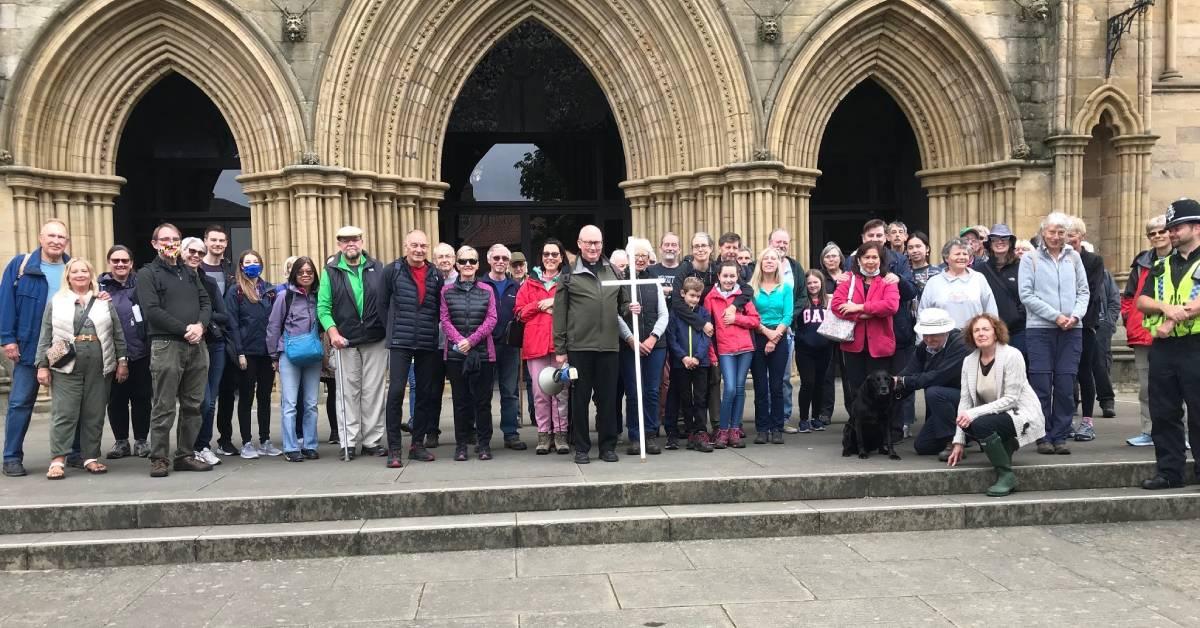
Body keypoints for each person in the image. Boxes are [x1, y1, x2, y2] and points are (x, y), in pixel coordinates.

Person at [34, 258, 127, 479]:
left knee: (94, 413)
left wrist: (122, 361)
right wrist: (42, 366)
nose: (80, 275)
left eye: (84, 271)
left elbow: (117, 334)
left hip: (99, 362)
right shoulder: (56, 301)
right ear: (68, 276)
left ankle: (90, 458)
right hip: (65, 363)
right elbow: (45, 335)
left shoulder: (104, 301)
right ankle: (58, 460)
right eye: (74, 271)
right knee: (64, 413)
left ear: (90, 274)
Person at [136, 223, 212, 477]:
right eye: (165, 239)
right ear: (155, 244)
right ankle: (159, 458)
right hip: (166, 344)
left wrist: (201, 326)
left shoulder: (189, 271)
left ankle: (185, 455)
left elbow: (205, 301)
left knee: (194, 404)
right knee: (164, 405)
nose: (171, 243)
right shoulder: (147, 274)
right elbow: (152, 311)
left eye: (175, 239)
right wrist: (184, 330)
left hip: (196, 345)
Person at [553, 225, 632, 463]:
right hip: (579, 348)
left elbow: (623, 305)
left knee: (608, 399)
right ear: (579, 244)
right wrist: (560, 349)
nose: (593, 247)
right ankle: (581, 448)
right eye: (588, 243)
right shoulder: (568, 275)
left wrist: (631, 309)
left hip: (609, 346)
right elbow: (560, 314)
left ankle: (607, 447)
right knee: (580, 399)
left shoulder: (614, 272)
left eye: (597, 242)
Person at [1137, 198, 1200, 490]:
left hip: (1195, 345)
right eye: (1170, 227)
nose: (1171, 233)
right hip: (1165, 348)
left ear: (1196, 227)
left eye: (1177, 227)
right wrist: (1165, 308)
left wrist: (1177, 316)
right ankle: (1169, 471)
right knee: (1164, 411)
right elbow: (1142, 301)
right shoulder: (1162, 264)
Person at [946, 314, 1046, 497]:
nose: (981, 333)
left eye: (986, 329)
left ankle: (1006, 475)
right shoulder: (969, 361)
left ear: (996, 332)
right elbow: (965, 401)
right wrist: (958, 441)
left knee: (979, 423)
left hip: (1022, 414)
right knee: (971, 422)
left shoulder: (1012, 355)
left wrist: (973, 414)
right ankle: (1007, 445)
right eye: (976, 330)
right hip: (995, 414)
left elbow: (1011, 399)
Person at [1, 219, 70, 477]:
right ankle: (11, 457)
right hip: (29, 346)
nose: (55, 241)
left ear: (67, 242)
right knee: (20, 403)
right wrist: (7, 338)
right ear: (41, 238)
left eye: (61, 237)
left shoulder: (70, 267)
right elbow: (5, 301)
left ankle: (71, 452)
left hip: (62, 346)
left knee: (69, 403)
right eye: (51, 236)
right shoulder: (21, 266)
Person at [1018, 211, 1089, 455]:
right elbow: (1026, 294)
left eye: (1061, 232)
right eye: (1052, 232)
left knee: (1066, 383)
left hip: (1072, 329)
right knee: (1041, 384)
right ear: (1043, 232)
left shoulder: (1074, 259)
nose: (1056, 237)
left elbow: (1084, 291)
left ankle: (1060, 435)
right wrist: (1055, 316)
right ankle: (1043, 435)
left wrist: (1076, 316)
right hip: (1040, 330)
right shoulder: (1030, 259)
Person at [317, 225, 388, 460]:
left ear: (361, 241)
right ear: (339, 244)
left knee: (374, 392)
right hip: (344, 341)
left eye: (354, 239)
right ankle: (347, 441)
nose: (351, 244)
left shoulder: (377, 268)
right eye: (345, 240)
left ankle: (372, 440)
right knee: (347, 393)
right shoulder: (330, 271)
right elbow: (323, 308)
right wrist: (333, 333)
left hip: (375, 338)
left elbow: (388, 301)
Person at [378, 230, 444, 467]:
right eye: (414, 245)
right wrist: (393, 331)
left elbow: (438, 307)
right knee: (396, 392)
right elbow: (382, 304)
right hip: (400, 342)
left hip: (427, 341)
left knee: (426, 394)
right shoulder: (392, 271)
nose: (419, 250)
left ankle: (418, 445)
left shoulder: (436, 274)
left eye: (423, 246)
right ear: (405, 246)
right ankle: (394, 448)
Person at [439, 245, 499, 461]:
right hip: (456, 355)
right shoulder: (446, 291)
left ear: (477, 265)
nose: (467, 265)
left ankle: (484, 444)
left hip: (483, 354)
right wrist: (460, 341)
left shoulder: (487, 290)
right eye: (463, 261)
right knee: (460, 401)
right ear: (457, 264)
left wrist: (471, 341)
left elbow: (492, 319)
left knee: (482, 402)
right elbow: (444, 320)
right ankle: (461, 445)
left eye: (472, 261)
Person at [516, 238, 571, 455]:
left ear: (561, 258)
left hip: (560, 346)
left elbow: (575, 307)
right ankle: (543, 435)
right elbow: (520, 313)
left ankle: (561, 435)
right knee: (540, 393)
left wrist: (555, 302)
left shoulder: (567, 281)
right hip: (536, 345)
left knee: (561, 392)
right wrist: (541, 306)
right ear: (541, 257)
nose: (550, 258)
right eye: (546, 254)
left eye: (554, 254)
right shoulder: (529, 283)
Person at [832, 241, 900, 412]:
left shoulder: (888, 280)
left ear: (880, 260)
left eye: (874, 257)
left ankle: (882, 432)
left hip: (879, 346)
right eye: (866, 257)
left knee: (882, 391)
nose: (871, 261)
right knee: (856, 389)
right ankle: (857, 429)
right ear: (859, 260)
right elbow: (837, 306)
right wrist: (869, 314)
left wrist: (858, 307)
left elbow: (891, 306)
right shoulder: (849, 280)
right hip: (853, 345)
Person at [225, 249, 281, 458]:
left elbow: (276, 323)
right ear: (241, 266)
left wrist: (276, 353)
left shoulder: (269, 290)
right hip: (247, 352)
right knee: (247, 397)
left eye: (255, 261)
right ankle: (247, 442)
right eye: (247, 262)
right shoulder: (235, 291)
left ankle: (265, 439)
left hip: (267, 352)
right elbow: (233, 323)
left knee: (265, 396)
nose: (251, 265)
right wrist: (239, 352)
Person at [1122, 214, 1172, 446]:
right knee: (1147, 387)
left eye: (1162, 231)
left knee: (1179, 385)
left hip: (1176, 332)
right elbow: (1129, 297)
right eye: (1153, 233)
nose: (1158, 236)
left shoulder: (1184, 258)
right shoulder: (1141, 263)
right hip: (1143, 332)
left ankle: (1181, 433)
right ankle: (1149, 431)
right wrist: (1128, 320)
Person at [267, 256, 323, 462]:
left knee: (310, 403)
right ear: (294, 274)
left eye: (309, 272)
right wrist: (273, 355)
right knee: (290, 403)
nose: (306, 275)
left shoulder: (319, 296)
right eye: (301, 272)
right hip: (289, 353)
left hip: (313, 355)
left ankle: (309, 444)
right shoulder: (285, 297)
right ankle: (291, 447)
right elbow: (273, 326)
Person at [99, 245, 151, 460]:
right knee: (117, 400)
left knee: (142, 397)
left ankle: (141, 440)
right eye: (116, 260)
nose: (120, 264)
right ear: (110, 262)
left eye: (124, 261)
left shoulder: (142, 284)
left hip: (141, 351)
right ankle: (121, 442)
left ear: (131, 263)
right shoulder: (99, 288)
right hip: (112, 353)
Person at [618, 237, 669, 455]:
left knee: (651, 390)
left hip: (654, 345)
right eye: (636, 255)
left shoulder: (654, 280)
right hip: (630, 345)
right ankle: (635, 436)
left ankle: (649, 434)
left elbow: (663, 314)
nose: (640, 259)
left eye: (644, 256)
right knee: (633, 391)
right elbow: (615, 314)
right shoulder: (620, 281)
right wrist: (631, 339)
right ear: (629, 258)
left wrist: (652, 338)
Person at [896, 308, 970, 458]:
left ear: (945, 331)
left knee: (934, 391)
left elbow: (939, 376)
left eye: (934, 335)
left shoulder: (961, 344)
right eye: (925, 335)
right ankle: (966, 434)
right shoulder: (924, 347)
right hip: (944, 404)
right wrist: (894, 384)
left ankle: (953, 442)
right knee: (922, 446)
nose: (929, 339)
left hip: (969, 401)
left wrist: (904, 381)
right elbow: (909, 371)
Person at [706, 260, 761, 449]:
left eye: (732, 276)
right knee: (729, 388)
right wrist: (712, 353)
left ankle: (735, 429)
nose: (729, 280)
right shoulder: (711, 297)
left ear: (737, 276)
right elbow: (707, 328)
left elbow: (755, 321)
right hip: (724, 349)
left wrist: (736, 318)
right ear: (718, 277)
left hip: (745, 348)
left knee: (739, 388)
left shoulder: (742, 296)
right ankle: (722, 429)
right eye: (725, 276)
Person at [179, 238, 224, 466]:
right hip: (182, 345)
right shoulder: (171, 279)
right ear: (181, 251)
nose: (196, 255)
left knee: (209, 401)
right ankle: (186, 448)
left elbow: (223, 314)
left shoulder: (207, 281)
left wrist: (201, 322)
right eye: (192, 251)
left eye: (200, 252)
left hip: (212, 345)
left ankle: (202, 445)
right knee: (195, 401)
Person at [1066, 220, 1112, 443]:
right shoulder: (1059, 259)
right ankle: (1065, 420)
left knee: (1085, 371)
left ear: (1081, 236)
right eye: (1065, 234)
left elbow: (1092, 292)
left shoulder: (1093, 261)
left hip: (1085, 324)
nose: (1069, 238)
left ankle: (1087, 422)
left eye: (1073, 234)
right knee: (1064, 375)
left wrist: (1074, 315)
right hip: (1059, 324)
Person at [481, 244, 527, 451]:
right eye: (496, 258)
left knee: (510, 392)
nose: (500, 261)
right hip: (485, 345)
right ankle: (483, 435)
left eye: (504, 258)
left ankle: (511, 433)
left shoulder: (516, 287)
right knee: (483, 393)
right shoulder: (480, 284)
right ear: (489, 260)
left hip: (509, 347)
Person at [199, 225, 239, 457]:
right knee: (205, 397)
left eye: (222, 240)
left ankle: (225, 439)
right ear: (206, 241)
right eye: (213, 240)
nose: (217, 244)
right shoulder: (196, 267)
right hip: (203, 337)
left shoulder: (230, 269)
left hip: (226, 338)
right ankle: (201, 442)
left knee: (226, 392)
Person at [666, 277, 714, 452]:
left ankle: (701, 430)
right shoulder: (675, 313)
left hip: (701, 363)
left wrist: (698, 357)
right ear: (683, 294)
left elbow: (706, 336)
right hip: (681, 364)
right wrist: (684, 357)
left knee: (700, 398)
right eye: (691, 295)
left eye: (698, 296)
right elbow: (672, 338)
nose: (694, 299)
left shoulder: (703, 313)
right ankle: (690, 431)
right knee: (685, 397)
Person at [750, 247, 793, 444]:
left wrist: (775, 338)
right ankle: (762, 428)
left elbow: (788, 315)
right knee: (760, 386)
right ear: (760, 263)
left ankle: (777, 427)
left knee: (776, 385)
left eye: (773, 258)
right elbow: (750, 315)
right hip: (758, 336)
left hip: (780, 335)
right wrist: (766, 334)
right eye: (765, 258)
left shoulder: (785, 288)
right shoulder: (752, 288)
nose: (769, 261)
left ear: (778, 263)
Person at [917, 238, 997, 329]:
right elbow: (923, 312)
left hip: (974, 338)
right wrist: (921, 340)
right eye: (957, 254)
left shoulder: (979, 278)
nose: (962, 257)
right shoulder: (934, 282)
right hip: (943, 340)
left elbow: (991, 310)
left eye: (965, 254)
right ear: (946, 258)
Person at [975, 224, 1026, 357]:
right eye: (995, 239)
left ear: (1010, 243)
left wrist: (1018, 316)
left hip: (1018, 331)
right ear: (990, 244)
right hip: (990, 333)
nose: (1000, 242)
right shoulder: (980, 270)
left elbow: (1029, 294)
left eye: (1004, 238)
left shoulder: (1022, 267)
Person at [792, 270, 832, 434]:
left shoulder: (828, 301)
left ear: (821, 283)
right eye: (809, 283)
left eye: (815, 282)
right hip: (805, 349)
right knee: (808, 382)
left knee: (820, 383)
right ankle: (803, 419)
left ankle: (816, 417)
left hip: (824, 348)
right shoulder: (801, 302)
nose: (812, 286)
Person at [907, 231, 941, 304]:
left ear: (927, 248)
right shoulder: (904, 272)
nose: (914, 250)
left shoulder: (937, 272)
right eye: (910, 248)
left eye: (918, 246)